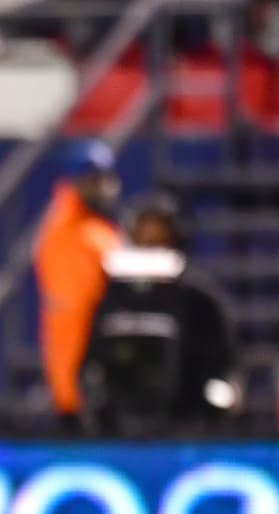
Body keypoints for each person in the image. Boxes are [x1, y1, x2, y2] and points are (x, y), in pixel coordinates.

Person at [81, 193, 239, 436]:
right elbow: (93, 362)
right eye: (144, 233)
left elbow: (225, 366)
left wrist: (215, 408)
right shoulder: (112, 297)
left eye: (160, 233)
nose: (152, 241)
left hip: (187, 428)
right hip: (120, 430)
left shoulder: (200, 299)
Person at [32, 139, 122, 432]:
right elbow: (85, 308)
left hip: (84, 379)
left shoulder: (89, 229)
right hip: (84, 382)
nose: (104, 188)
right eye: (94, 180)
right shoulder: (73, 232)